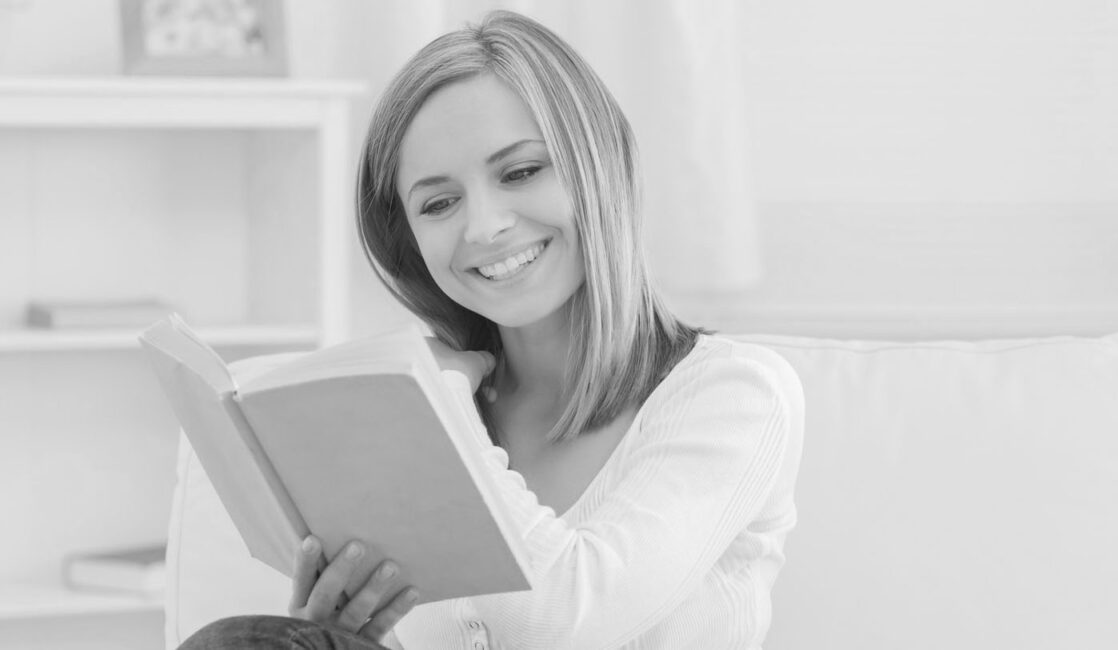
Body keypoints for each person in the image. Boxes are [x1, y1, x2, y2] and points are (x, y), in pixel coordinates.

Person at [179, 9, 804, 650]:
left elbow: (559, 621)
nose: (483, 227)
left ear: (599, 167)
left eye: (521, 171)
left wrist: (442, 406)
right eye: (439, 203)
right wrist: (347, 633)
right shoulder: (430, 417)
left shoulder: (734, 396)